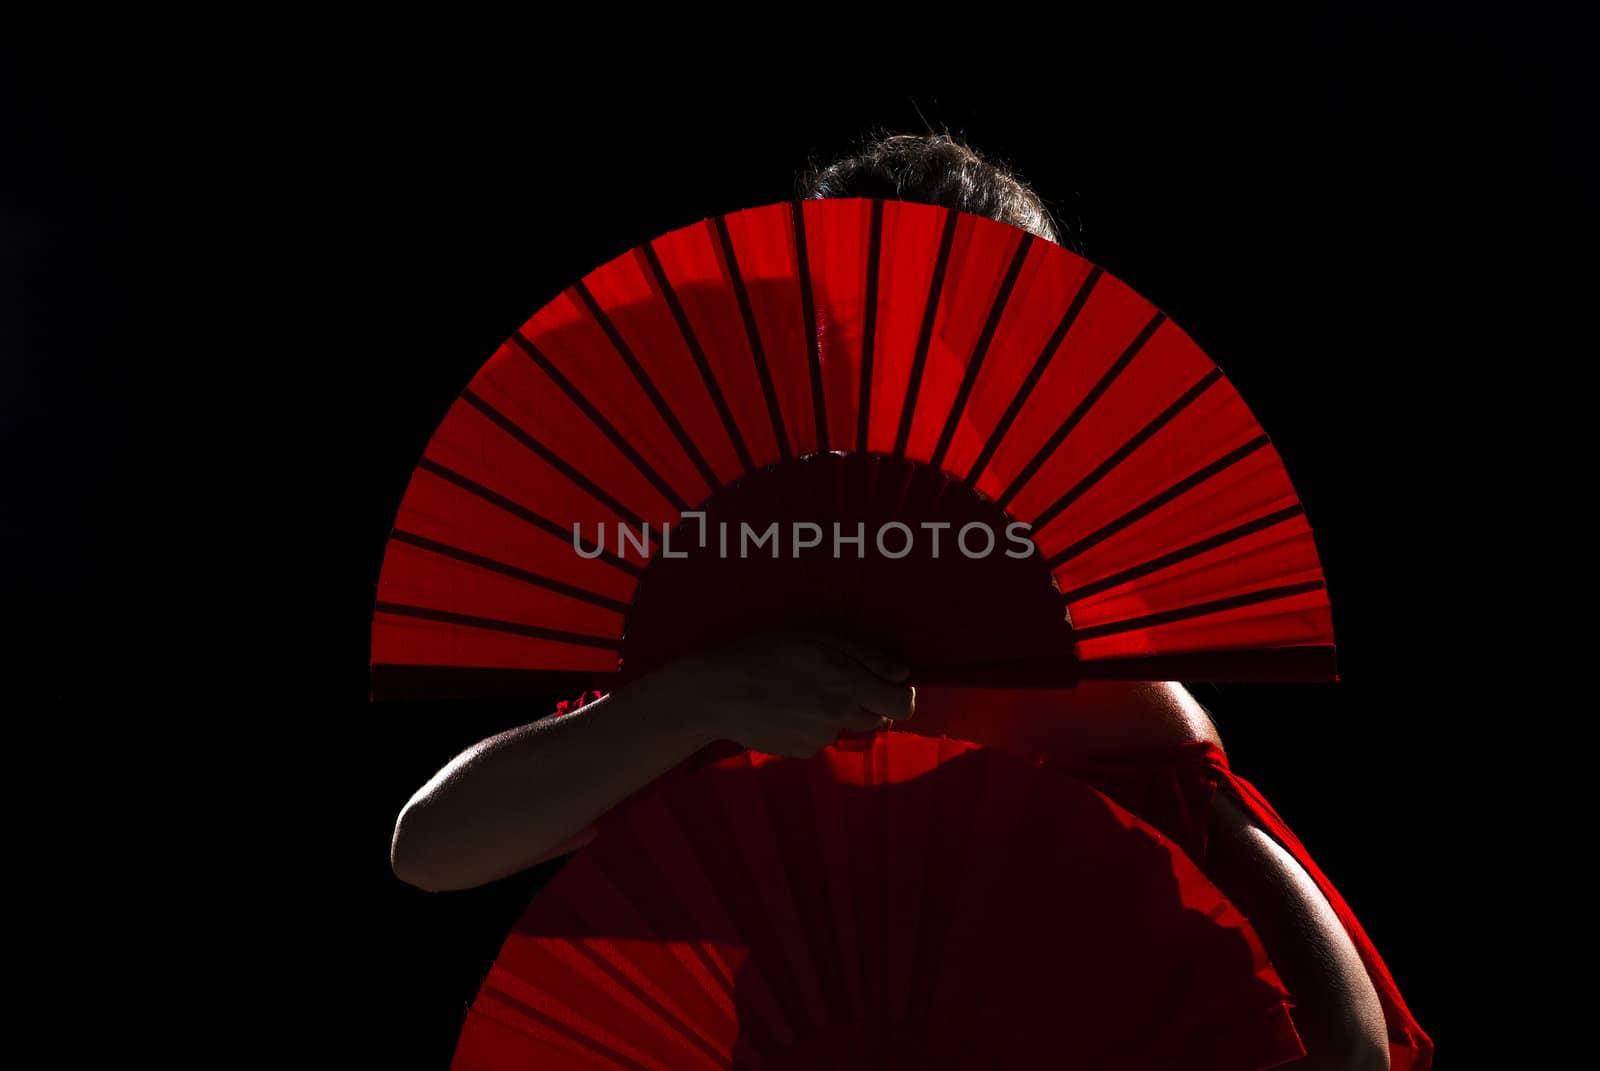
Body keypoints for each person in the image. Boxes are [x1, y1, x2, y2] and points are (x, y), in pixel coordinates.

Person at [390, 133, 1431, 1071]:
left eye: (952, 342)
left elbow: (1345, 1036)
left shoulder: (1094, 683)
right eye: (845, 334)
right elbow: (433, 847)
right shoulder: (752, 653)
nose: (890, 380)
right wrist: (696, 699)